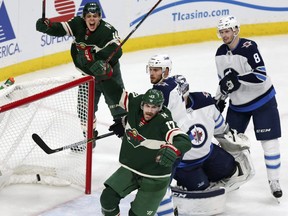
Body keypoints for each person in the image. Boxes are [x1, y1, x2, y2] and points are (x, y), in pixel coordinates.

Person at [146, 54, 254, 215]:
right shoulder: (166, 113)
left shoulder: (205, 102)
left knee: (231, 168)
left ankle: (207, 176)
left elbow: (220, 129)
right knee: (201, 189)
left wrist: (231, 140)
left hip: (209, 154)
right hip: (185, 165)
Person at [214, 15, 282, 199]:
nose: (224, 35)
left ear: (236, 30)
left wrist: (238, 79)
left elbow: (260, 75)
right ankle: (230, 177)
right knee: (228, 144)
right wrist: (220, 97)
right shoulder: (220, 53)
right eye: (221, 32)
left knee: (269, 142)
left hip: (262, 101)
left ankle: (274, 180)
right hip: (237, 105)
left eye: (227, 31)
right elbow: (224, 81)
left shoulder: (248, 47)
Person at [101, 86, 192, 216]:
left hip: (155, 177)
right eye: (147, 106)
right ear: (142, 104)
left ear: (160, 108)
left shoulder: (164, 121)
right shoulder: (135, 103)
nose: (150, 110)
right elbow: (114, 91)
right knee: (107, 199)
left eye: (154, 107)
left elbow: (184, 140)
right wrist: (105, 75)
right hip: (132, 168)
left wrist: (174, 149)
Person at [36, 2, 127, 123]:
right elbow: (60, 28)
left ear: (100, 17)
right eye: (89, 16)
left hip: (109, 76)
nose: (92, 19)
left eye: (95, 16)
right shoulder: (77, 24)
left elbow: (117, 51)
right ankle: (89, 138)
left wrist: (96, 58)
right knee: (84, 112)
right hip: (87, 76)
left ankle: (127, 137)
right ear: (84, 18)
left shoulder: (107, 31)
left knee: (120, 110)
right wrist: (48, 27)